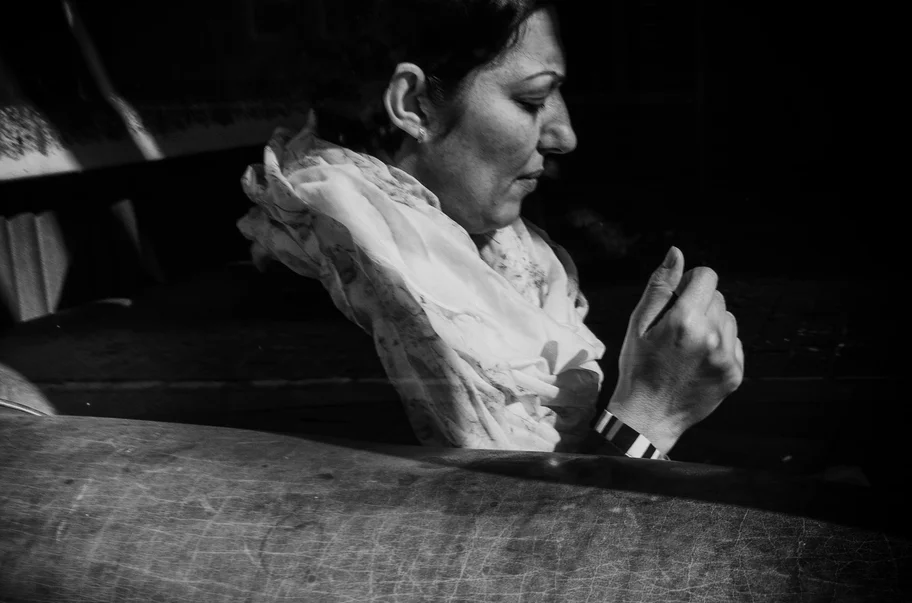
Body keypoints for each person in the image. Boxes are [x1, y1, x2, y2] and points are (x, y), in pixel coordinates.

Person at [237, 0, 743, 460]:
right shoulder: (356, 290)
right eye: (532, 99)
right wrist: (650, 413)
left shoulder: (503, 258)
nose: (564, 135)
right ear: (414, 105)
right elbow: (514, 527)